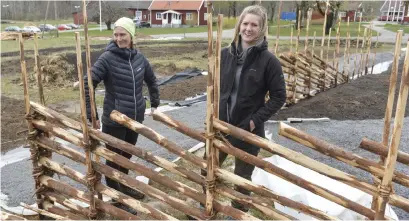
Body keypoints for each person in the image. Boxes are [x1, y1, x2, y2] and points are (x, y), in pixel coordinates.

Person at [203, 5, 286, 214]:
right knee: (207, 168)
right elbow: (214, 89)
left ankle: (237, 213)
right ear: (239, 25)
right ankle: (206, 206)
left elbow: (279, 97)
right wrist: (212, 114)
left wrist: (254, 120)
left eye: (254, 25)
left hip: (247, 130)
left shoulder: (269, 61)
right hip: (220, 126)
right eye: (245, 23)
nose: (249, 28)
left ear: (262, 28)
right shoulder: (224, 55)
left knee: (242, 178)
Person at [85, 17, 159, 213]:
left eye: (123, 34)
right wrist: (89, 112)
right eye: (116, 35)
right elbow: (88, 82)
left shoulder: (139, 59)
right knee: (113, 159)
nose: (119, 38)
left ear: (131, 36)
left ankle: (124, 187)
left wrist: (155, 103)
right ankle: (118, 199)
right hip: (114, 120)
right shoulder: (107, 58)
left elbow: (152, 81)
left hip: (134, 119)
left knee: (126, 156)